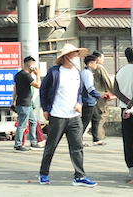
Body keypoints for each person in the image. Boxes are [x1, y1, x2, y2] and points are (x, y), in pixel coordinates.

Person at [37, 44, 97, 187]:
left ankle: (79, 176)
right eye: (74, 54)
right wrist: (45, 108)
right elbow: (43, 91)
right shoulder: (54, 72)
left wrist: (79, 103)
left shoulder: (77, 72)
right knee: (51, 146)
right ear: (66, 57)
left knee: (77, 147)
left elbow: (80, 93)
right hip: (57, 115)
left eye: (77, 54)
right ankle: (43, 174)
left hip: (74, 117)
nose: (76, 57)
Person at [12, 56, 42, 152]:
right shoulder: (26, 75)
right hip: (24, 103)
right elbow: (38, 85)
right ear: (30, 65)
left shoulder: (19, 74)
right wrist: (38, 75)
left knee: (33, 121)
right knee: (22, 124)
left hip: (25, 103)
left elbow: (15, 88)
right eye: (33, 64)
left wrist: (13, 100)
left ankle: (33, 142)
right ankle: (18, 144)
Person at [112, 47, 133, 183]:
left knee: (129, 140)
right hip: (130, 107)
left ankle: (131, 171)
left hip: (125, 110)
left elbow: (116, 90)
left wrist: (128, 102)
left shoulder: (120, 71)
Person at [80, 55, 103, 146]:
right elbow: (89, 87)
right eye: (95, 63)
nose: (96, 65)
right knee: (85, 121)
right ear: (90, 64)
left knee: (96, 118)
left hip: (91, 100)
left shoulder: (87, 72)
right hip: (88, 100)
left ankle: (96, 138)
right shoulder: (87, 73)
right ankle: (78, 139)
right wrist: (98, 95)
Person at [92, 51, 114, 141]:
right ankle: (98, 133)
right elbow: (107, 79)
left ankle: (99, 133)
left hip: (92, 94)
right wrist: (114, 91)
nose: (103, 60)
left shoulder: (90, 67)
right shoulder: (100, 67)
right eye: (102, 58)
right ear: (98, 58)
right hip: (100, 93)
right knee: (104, 113)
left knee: (96, 115)